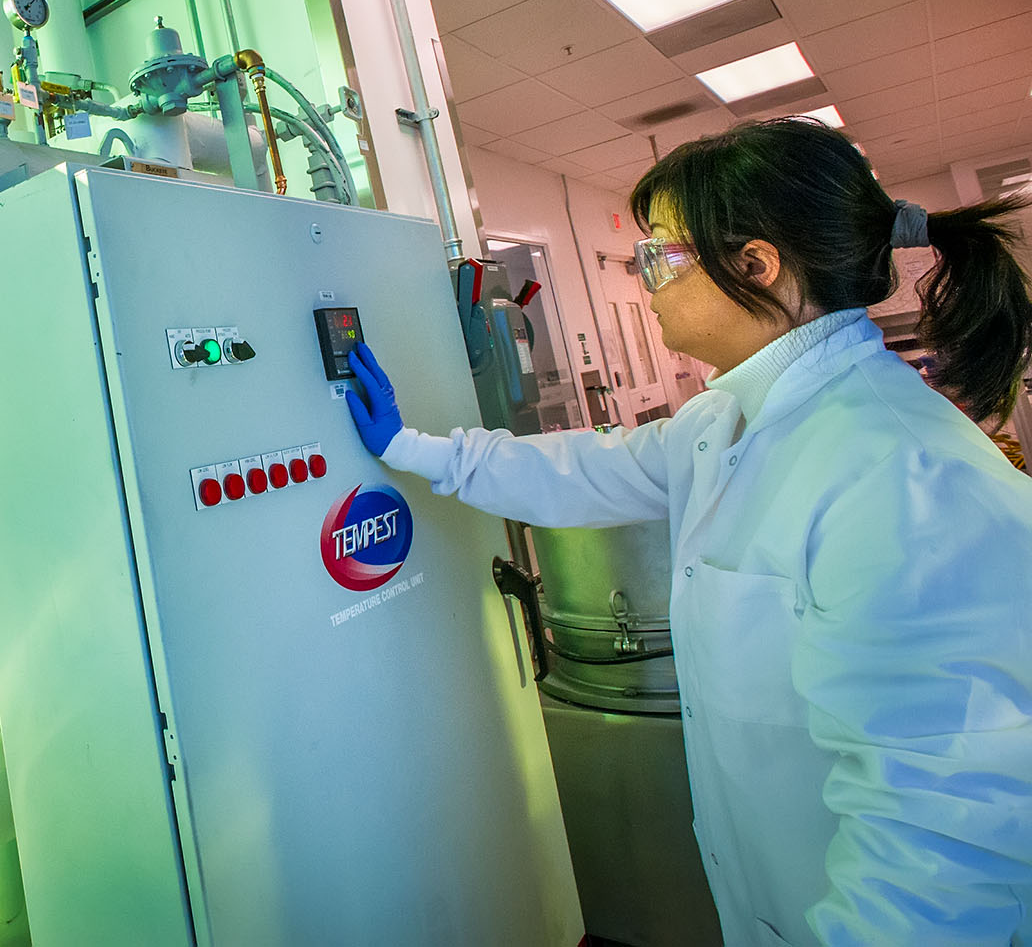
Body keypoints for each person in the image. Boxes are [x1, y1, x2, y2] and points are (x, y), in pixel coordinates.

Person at [345, 117, 1032, 946]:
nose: (645, 282)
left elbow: (946, 838)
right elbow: (585, 470)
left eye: (659, 256)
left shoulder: (904, 477)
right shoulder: (725, 418)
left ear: (756, 265)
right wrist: (410, 448)